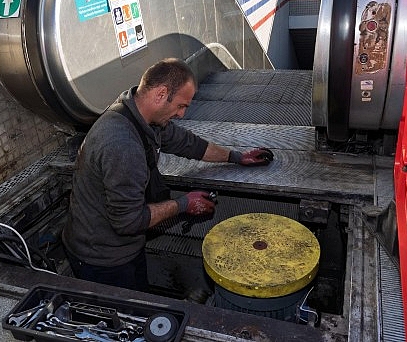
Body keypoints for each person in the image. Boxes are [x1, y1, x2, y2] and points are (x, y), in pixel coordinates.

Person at [62, 58, 274, 291]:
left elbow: (187, 143)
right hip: (103, 260)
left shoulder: (137, 112)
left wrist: (236, 157)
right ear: (161, 94)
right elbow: (129, 222)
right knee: (129, 315)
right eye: (181, 106)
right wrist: (184, 204)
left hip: (118, 247)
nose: (182, 114)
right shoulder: (122, 145)